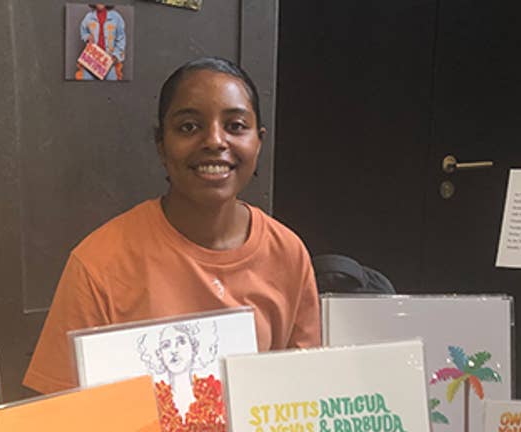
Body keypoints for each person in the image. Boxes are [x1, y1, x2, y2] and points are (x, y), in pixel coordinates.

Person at [24, 57, 321, 395]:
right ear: (161, 144)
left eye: (236, 126)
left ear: (259, 141)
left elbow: (303, 393)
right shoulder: (98, 264)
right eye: (189, 127)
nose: (215, 141)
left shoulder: (288, 253)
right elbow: (59, 408)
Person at [137, 323, 227, 432]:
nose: (174, 351)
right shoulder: (152, 401)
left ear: (194, 347)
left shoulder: (215, 394)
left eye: (181, 342)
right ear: (159, 354)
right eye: (166, 345)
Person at [76, 4, 125, 81]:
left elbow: (121, 38)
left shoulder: (116, 17)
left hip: (109, 59)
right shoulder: (88, 17)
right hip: (92, 58)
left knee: (112, 83)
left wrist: (116, 55)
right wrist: (87, 36)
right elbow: (83, 31)